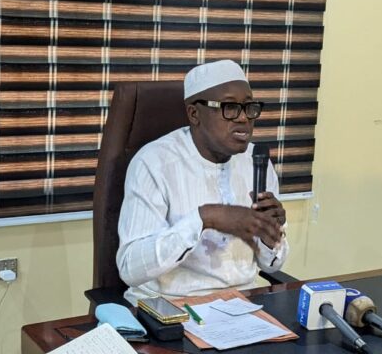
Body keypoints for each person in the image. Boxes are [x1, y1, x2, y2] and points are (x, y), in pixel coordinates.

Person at [116, 60, 288, 304]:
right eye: (229, 107)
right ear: (194, 114)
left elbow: (272, 265)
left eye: (249, 107)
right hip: (168, 306)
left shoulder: (256, 161)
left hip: (242, 304)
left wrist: (271, 237)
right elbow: (130, 267)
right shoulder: (154, 163)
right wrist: (205, 218)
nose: (243, 119)